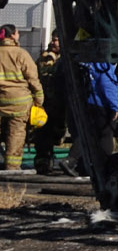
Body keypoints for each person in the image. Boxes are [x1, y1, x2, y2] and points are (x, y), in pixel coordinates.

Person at [0, 24, 45, 171]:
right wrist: (39, 99)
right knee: (16, 134)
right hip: (20, 103)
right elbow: (33, 78)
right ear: (12, 35)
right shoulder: (21, 54)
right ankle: (12, 167)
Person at [31, 34, 71, 175]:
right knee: (43, 135)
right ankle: (43, 162)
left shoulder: (68, 57)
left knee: (59, 133)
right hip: (47, 103)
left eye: (57, 39)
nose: (54, 42)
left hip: (63, 104)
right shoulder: (44, 59)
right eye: (53, 39)